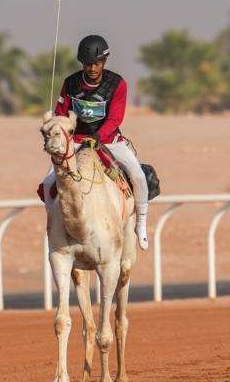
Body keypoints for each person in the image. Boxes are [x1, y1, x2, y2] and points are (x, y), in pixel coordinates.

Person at [40, 34, 150, 249]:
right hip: (77, 142)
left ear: (104, 62)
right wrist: (54, 129)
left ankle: (141, 224)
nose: (92, 68)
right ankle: (52, 223)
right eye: (88, 64)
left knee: (138, 175)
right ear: (82, 63)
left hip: (108, 141)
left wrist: (97, 138)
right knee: (47, 183)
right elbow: (61, 113)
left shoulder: (117, 84)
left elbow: (115, 118)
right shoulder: (70, 83)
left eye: (97, 63)